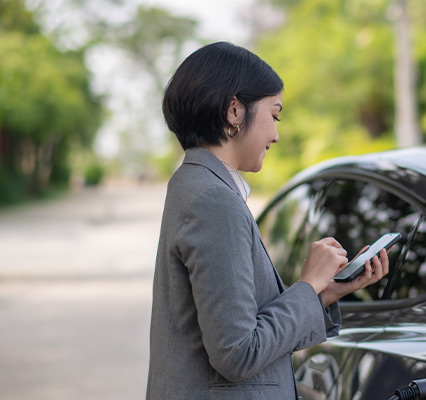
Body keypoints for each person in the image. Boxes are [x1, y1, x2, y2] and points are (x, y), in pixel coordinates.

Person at [146, 41, 389, 399]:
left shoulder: (194, 183)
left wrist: (323, 294)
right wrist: (308, 285)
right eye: (274, 115)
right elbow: (237, 353)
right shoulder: (213, 199)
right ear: (234, 111)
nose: (276, 134)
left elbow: (233, 327)